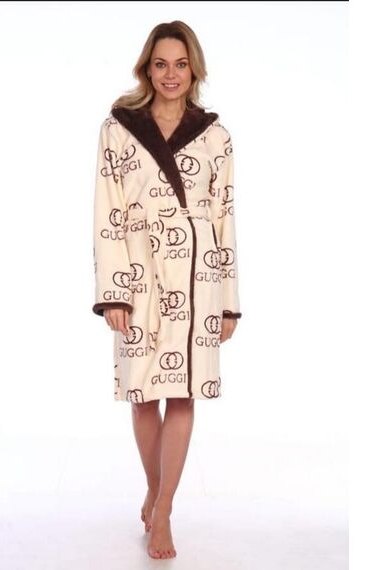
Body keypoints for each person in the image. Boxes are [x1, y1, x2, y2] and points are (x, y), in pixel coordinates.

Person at [91, 20, 242, 559]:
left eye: (180, 64)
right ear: (146, 69)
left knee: (182, 393)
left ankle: (165, 510)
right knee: (142, 395)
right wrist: (114, 292)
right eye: (161, 64)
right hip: (138, 274)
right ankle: (155, 490)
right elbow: (107, 210)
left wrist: (229, 304)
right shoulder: (118, 128)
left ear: (193, 69)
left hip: (198, 278)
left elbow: (224, 219)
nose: (171, 74)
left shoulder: (216, 136)